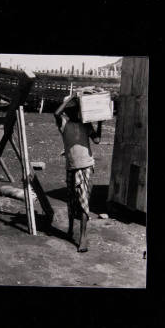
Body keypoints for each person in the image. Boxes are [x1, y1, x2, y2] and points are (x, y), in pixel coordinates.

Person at [54, 93, 102, 252]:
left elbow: (97, 140)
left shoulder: (85, 124)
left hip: (86, 165)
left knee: (84, 203)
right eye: (70, 109)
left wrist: (100, 122)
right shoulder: (63, 124)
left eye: (75, 108)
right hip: (71, 166)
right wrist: (72, 97)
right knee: (71, 201)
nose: (73, 111)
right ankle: (70, 228)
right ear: (67, 110)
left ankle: (83, 237)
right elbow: (56, 113)